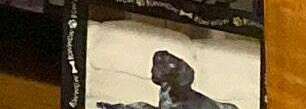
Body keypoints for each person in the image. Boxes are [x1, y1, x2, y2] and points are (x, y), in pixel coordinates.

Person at [94, 49, 238, 109]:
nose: (157, 68)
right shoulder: (167, 88)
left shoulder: (184, 97)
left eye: (168, 65)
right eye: (158, 63)